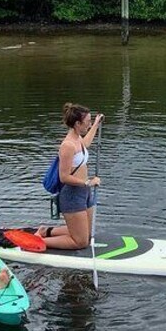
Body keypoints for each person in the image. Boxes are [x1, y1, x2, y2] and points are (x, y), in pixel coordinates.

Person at [35, 103, 104, 249]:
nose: (89, 125)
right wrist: (88, 183)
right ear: (77, 124)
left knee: (88, 233)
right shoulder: (67, 145)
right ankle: (39, 242)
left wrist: (96, 125)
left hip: (84, 192)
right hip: (72, 194)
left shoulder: (78, 140)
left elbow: (86, 144)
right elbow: (64, 177)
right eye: (88, 122)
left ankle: (45, 231)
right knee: (81, 242)